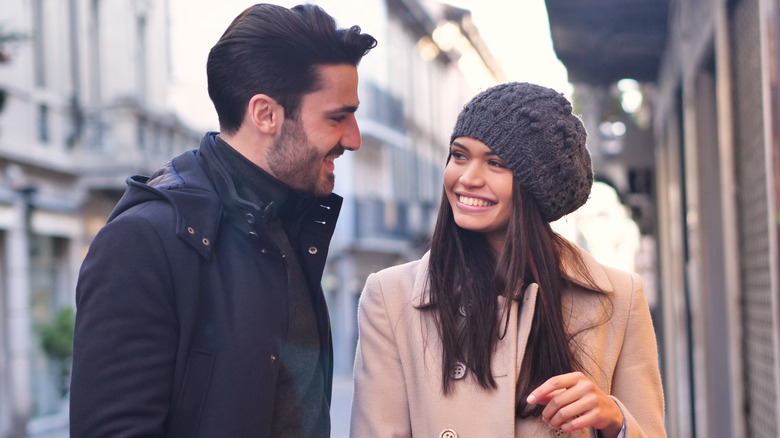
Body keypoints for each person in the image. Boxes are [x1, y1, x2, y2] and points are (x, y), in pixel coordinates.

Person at [69, 4, 376, 437]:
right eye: (337, 117)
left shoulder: (291, 223)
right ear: (265, 114)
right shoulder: (144, 240)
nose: (354, 138)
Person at [350, 82, 665, 437]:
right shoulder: (390, 298)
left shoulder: (619, 298)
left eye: (496, 163)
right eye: (459, 155)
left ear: (536, 188)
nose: (467, 178)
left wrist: (615, 421)